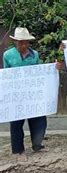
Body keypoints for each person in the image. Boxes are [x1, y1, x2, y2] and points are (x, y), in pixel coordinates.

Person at [2, 27, 46, 161]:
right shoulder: (8, 55)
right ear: (16, 42)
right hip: (16, 95)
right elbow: (6, 74)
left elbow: (39, 72)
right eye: (21, 42)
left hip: (32, 94)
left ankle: (37, 145)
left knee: (39, 119)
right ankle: (18, 150)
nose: (24, 45)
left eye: (26, 42)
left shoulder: (35, 55)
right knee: (16, 122)